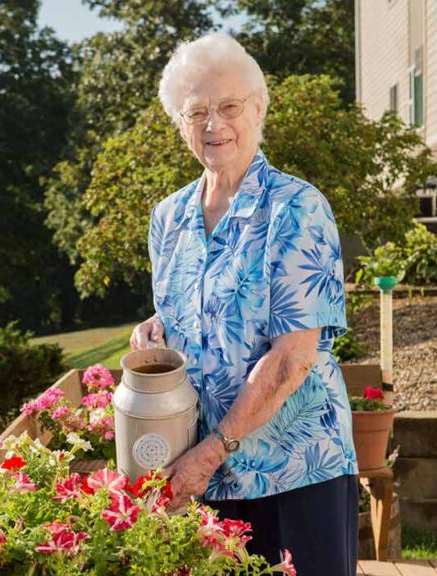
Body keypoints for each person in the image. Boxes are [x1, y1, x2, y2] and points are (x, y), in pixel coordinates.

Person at [128, 32, 358, 575]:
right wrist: (157, 330)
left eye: (228, 106)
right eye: (197, 112)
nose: (214, 125)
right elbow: (198, 312)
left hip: (296, 471)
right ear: (179, 124)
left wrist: (210, 453)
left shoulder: (297, 208)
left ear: (257, 108)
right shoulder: (169, 219)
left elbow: (292, 357)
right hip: (203, 480)